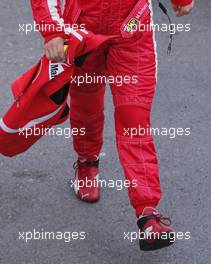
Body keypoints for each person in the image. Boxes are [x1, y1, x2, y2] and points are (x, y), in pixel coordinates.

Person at [30, 0, 194, 250]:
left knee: (134, 118)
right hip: (83, 26)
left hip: (132, 27)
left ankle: (147, 214)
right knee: (87, 107)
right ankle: (87, 163)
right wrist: (52, 30)